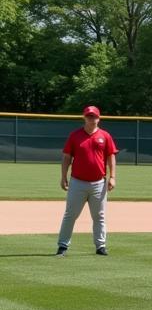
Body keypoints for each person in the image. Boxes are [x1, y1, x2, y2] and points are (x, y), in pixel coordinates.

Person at [56, 105, 117, 256]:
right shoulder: (75, 135)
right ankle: (63, 246)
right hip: (78, 182)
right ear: (84, 117)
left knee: (99, 216)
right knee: (70, 214)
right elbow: (66, 158)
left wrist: (113, 177)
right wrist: (63, 177)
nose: (92, 119)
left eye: (94, 116)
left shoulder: (105, 136)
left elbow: (111, 157)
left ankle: (100, 246)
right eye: (89, 116)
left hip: (98, 183)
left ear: (99, 118)